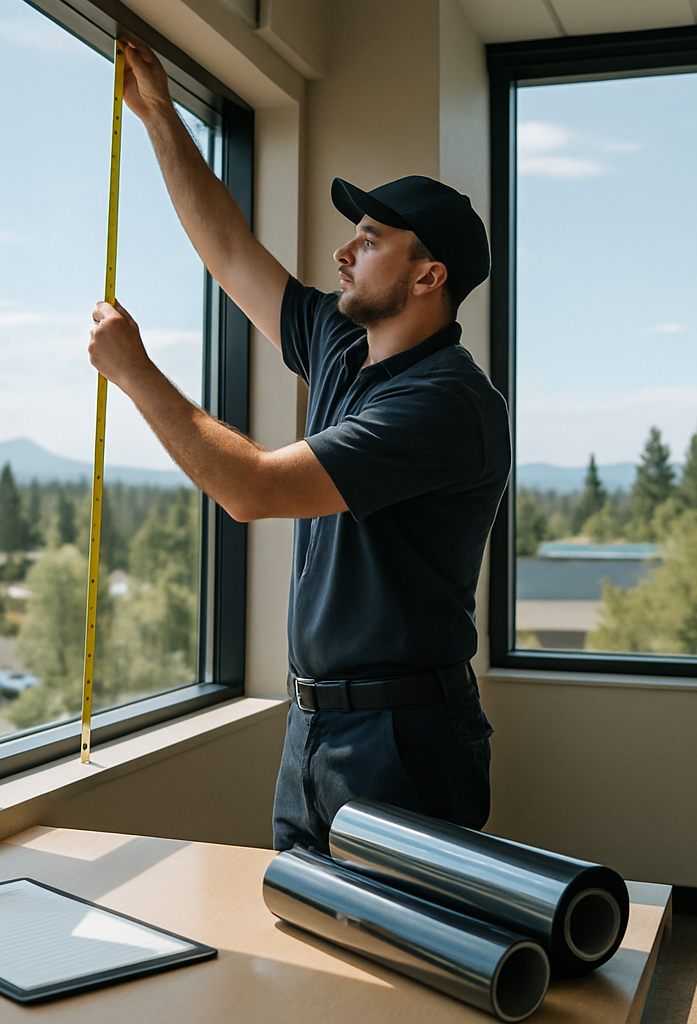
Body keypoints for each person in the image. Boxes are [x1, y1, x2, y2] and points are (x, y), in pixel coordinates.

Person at [87, 40, 511, 853]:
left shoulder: (447, 405)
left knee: (396, 967)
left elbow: (250, 489)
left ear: (429, 278)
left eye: (371, 238)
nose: (343, 252)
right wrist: (160, 119)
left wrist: (135, 374)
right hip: (311, 727)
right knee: (305, 949)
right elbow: (230, 252)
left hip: (404, 737)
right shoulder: (341, 346)